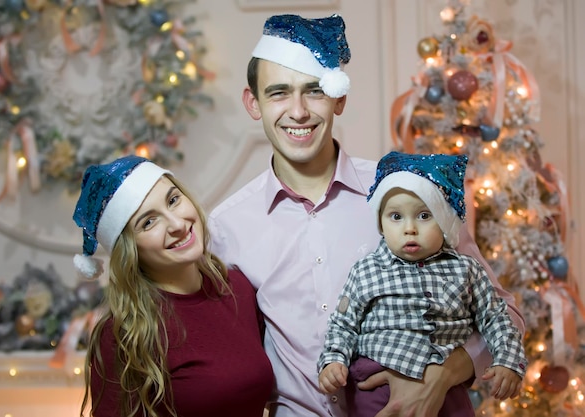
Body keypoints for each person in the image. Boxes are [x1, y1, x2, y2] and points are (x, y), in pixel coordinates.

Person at [208, 13, 525, 417]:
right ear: (253, 103)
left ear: (339, 98)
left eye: (314, 91)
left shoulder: (408, 190)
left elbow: (504, 313)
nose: (299, 111)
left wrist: (443, 376)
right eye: (279, 93)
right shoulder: (227, 227)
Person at [317, 151, 527, 417]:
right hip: (376, 380)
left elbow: (496, 317)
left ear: (445, 222)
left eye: (424, 216)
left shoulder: (466, 269)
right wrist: (333, 360)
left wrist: (509, 362)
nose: (410, 228)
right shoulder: (367, 270)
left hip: (446, 384)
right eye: (396, 217)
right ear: (380, 222)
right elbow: (343, 323)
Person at [72, 155, 274, 417]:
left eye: (173, 200)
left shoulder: (237, 288)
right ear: (129, 250)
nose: (178, 224)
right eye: (148, 222)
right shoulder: (123, 335)